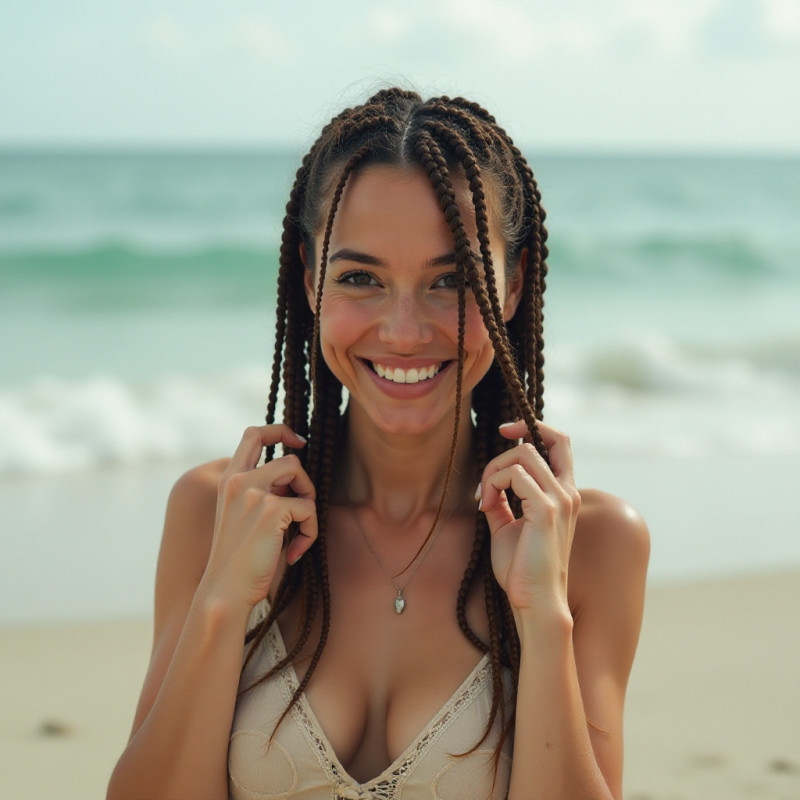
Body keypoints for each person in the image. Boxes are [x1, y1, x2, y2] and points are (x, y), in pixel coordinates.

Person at [107, 88, 649, 800]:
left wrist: (542, 615)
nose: (402, 330)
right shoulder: (216, 515)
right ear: (309, 279)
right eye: (360, 278)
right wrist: (222, 601)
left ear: (512, 286)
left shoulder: (591, 543)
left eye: (450, 280)